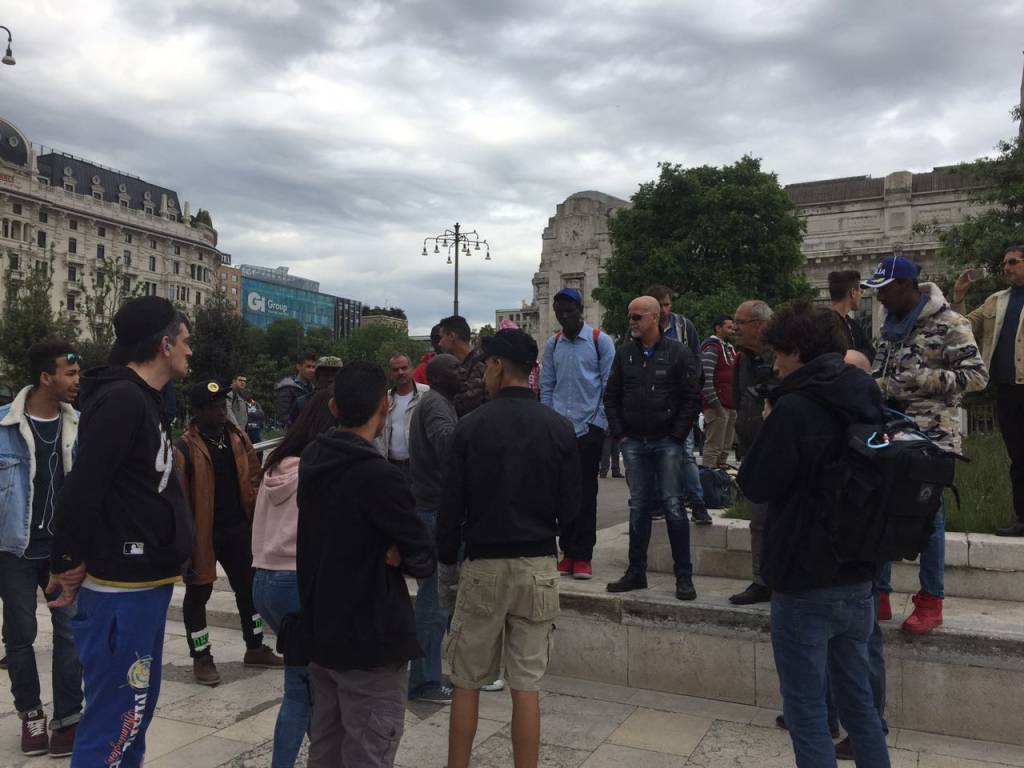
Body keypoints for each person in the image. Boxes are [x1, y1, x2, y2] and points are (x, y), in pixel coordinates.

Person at [737, 303, 891, 768]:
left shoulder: (795, 407)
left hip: (805, 580)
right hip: (858, 574)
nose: (775, 365)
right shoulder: (866, 396)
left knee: (806, 712)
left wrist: (768, 423)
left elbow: (756, 484)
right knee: (860, 704)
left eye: (780, 354)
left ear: (798, 351)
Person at [47, 296, 194, 768]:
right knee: (116, 720)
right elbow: (81, 487)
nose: (191, 352)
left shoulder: (146, 397)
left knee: (135, 717)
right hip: (118, 592)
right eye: (186, 342)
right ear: (164, 343)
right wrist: (67, 562)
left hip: (142, 585)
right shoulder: (122, 400)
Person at [438, 328, 580, 768]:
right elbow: (573, 509)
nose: (483, 376)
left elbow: (450, 508)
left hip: (484, 564)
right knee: (526, 684)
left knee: (466, 680)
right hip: (537, 563)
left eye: (485, 367)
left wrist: (447, 558)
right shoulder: (559, 428)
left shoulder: (470, 428)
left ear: (498, 366)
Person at [297, 362, 436, 768]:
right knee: (368, 753)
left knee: (326, 748)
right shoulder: (379, 476)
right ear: (384, 406)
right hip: (371, 642)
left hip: (323, 634)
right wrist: (398, 547)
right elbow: (423, 557)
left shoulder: (313, 460)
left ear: (335, 408)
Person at [865, 256, 987, 634]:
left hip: (932, 436)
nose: (880, 298)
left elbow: (977, 377)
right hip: (891, 432)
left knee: (929, 518)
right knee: (880, 508)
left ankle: (931, 599)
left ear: (906, 285)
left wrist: (923, 379)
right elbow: (886, 375)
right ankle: (879, 593)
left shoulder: (951, 323)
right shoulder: (890, 326)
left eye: (884, 290)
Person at [0, 341, 83, 757]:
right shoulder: (3, 425)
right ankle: (30, 714)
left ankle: (67, 719)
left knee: (70, 634)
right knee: (19, 636)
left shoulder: (80, 426)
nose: (76, 380)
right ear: (45, 377)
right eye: (69, 373)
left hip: (62, 552)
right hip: (13, 550)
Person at [174, 380, 281, 686]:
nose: (222, 413)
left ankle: (256, 645)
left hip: (238, 530)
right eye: (214, 408)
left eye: (223, 406)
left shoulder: (237, 438)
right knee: (198, 595)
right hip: (203, 535)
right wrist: (184, 545)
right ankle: (201, 655)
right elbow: (179, 501)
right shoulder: (184, 449)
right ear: (197, 411)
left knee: (249, 591)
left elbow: (254, 478)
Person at [252, 389, 337, 768]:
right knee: (304, 690)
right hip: (297, 582)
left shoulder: (275, 464)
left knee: (301, 684)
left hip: (264, 582)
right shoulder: (318, 469)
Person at [604, 296, 702, 601]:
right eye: (630, 317)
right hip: (634, 441)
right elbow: (611, 396)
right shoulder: (625, 354)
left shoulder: (678, 353)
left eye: (637, 317)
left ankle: (683, 576)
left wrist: (676, 435)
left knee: (674, 507)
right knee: (639, 507)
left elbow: (691, 396)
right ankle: (636, 572)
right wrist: (621, 435)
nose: (631, 322)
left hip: (665, 441)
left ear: (655, 318)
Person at [540, 287, 616, 580]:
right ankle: (567, 551)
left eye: (569, 311)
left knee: (585, 495)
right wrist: (548, 419)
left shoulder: (600, 341)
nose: (563, 317)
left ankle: (583, 555)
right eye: (559, 312)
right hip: (558, 429)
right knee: (561, 494)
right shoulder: (553, 344)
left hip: (588, 429)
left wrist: (598, 424)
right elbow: (547, 385)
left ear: (580, 311)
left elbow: (608, 386)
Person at [952, 245, 1024, 536]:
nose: (1007, 268)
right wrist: (958, 296)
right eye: (1005, 263)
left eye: (1013, 262)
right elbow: (962, 327)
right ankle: (1022, 518)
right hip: (1006, 390)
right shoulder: (997, 300)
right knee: (1018, 457)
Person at [406, 354, 461, 705]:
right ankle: (424, 682)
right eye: (455, 369)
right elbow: (447, 445)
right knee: (435, 600)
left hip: (433, 510)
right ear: (439, 377)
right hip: (434, 513)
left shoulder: (438, 402)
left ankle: (426, 674)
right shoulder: (438, 405)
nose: (463, 374)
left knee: (437, 597)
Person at [645, 284, 709, 523]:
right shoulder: (642, 326)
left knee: (686, 454)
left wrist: (691, 392)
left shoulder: (683, 326)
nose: (664, 310)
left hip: (680, 401)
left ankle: (698, 502)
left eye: (667, 304)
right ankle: (660, 502)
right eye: (659, 304)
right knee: (653, 453)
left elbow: (696, 360)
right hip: (653, 402)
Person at [728, 300, 778, 606]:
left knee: (781, 519)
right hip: (753, 450)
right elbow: (739, 400)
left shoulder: (783, 356)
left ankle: (782, 579)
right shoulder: (742, 359)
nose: (734, 327)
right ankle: (761, 581)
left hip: (780, 451)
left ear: (760, 325)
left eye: (740, 322)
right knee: (758, 520)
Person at [376, 353, 429, 485]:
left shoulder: (427, 395)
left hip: (418, 466)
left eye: (404, 368)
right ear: (390, 374)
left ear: (412, 369)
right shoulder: (385, 399)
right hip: (391, 466)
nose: (400, 372)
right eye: (395, 369)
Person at [700, 314, 738, 470]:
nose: (733, 331)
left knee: (725, 448)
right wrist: (716, 405)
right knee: (714, 447)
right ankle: (708, 480)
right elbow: (705, 379)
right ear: (718, 328)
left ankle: (719, 482)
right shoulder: (711, 348)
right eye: (729, 327)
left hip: (730, 405)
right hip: (716, 406)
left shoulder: (730, 349)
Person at [438, 315, 487, 417]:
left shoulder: (480, 366)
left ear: (452, 336)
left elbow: (464, 405)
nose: (439, 343)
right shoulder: (465, 365)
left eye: (441, 338)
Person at [829, 270, 876, 361]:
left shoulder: (852, 324)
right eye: (860, 291)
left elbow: (871, 352)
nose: (861, 296)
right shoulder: (827, 325)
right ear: (853, 292)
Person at [289, 356, 343, 425]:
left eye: (334, 375)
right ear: (317, 377)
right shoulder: (302, 403)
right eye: (325, 375)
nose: (330, 379)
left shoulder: (348, 403)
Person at [275, 351, 316, 426]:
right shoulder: (287, 388)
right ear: (298, 367)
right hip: (295, 432)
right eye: (308, 366)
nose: (312, 370)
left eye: (313, 367)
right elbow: (283, 417)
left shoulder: (313, 388)